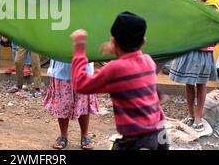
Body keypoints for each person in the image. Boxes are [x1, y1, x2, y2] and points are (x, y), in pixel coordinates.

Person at [71, 12, 168, 150]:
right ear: (143, 42)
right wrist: (116, 50)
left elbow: (80, 85)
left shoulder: (115, 69)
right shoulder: (148, 61)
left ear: (113, 41)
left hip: (137, 141)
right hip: (159, 134)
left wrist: (79, 51)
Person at [169, 0, 219, 132]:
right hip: (189, 51)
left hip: (202, 53)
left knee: (201, 84)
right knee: (189, 83)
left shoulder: (211, 9)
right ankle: (190, 114)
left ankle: (198, 117)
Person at [44, 59, 98, 149]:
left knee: (83, 103)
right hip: (62, 69)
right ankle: (63, 135)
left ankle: (85, 135)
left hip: (83, 69)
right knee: (62, 103)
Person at [7, 0, 42, 96]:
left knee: (35, 60)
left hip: (33, 32)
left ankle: (37, 86)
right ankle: (19, 84)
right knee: (18, 60)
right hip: (22, 31)